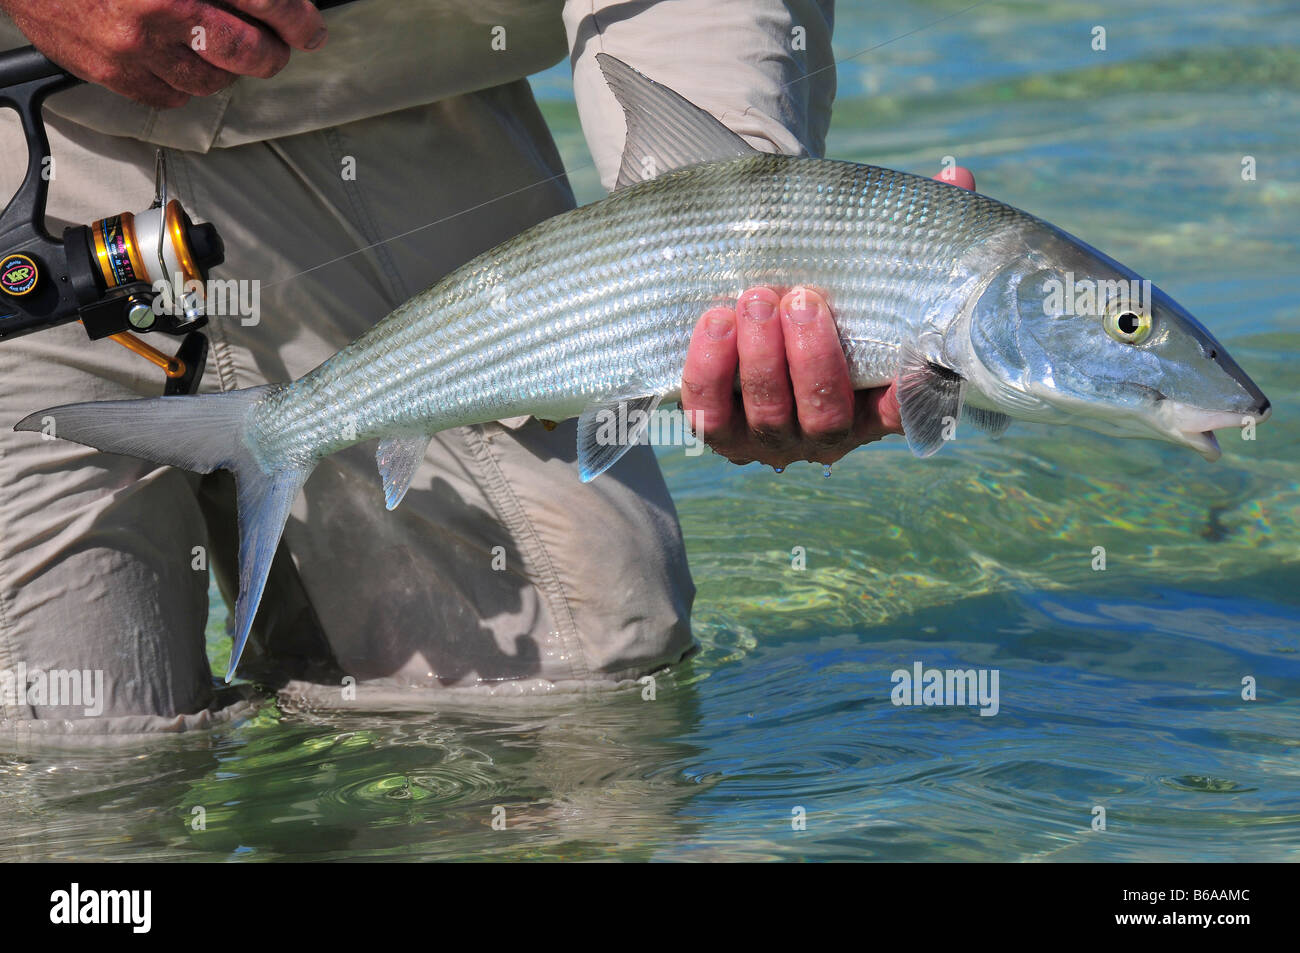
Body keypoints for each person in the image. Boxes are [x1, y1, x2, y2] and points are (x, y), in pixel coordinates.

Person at [0, 0, 969, 739]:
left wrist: (745, 223)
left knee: (574, 720)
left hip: (402, 109)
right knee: (72, 764)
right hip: (20, 144)